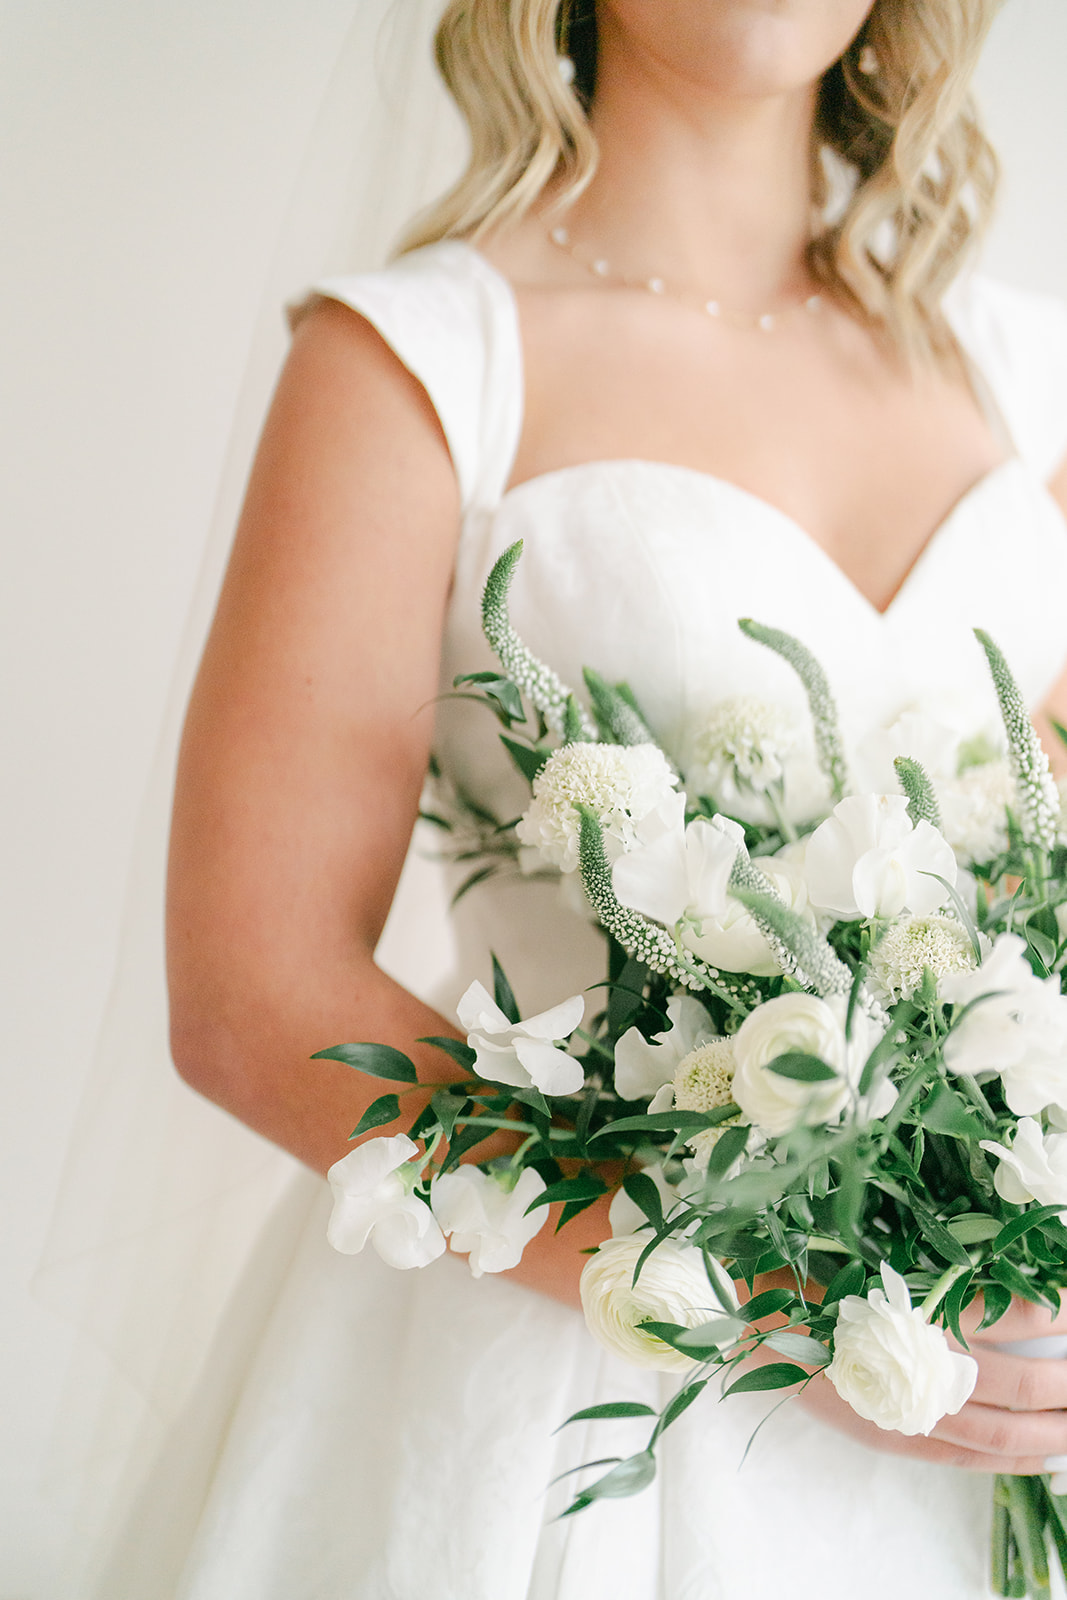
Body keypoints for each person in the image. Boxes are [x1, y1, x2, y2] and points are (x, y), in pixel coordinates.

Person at [164, 1, 1067, 1595]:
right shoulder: (420, 367)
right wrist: (780, 1285)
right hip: (565, 1409)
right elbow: (251, 992)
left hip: (986, 1404)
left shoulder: (1035, 380)